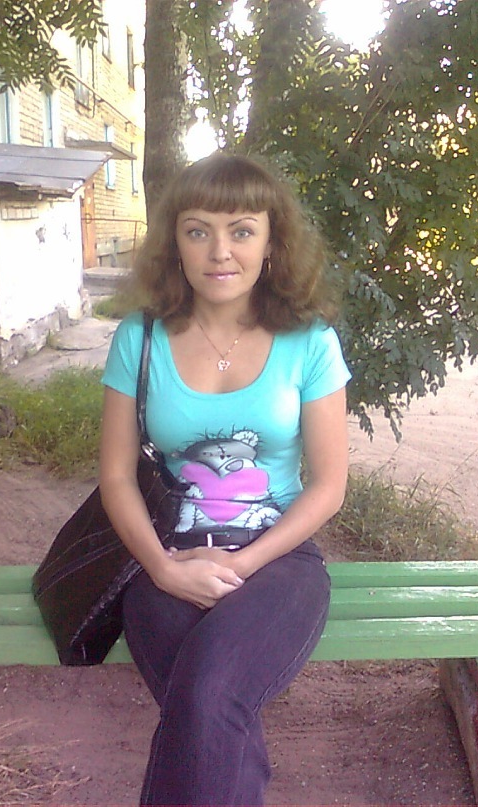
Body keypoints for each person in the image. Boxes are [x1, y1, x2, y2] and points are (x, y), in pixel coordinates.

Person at [99, 152, 351, 807]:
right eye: (197, 230)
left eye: (241, 230)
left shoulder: (309, 340)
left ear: (271, 243)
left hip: (279, 559)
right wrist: (161, 567)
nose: (219, 251)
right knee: (211, 708)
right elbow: (116, 476)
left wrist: (242, 563)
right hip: (164, 558)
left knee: (207, 699)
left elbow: (328, 485)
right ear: (174, 243)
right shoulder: (139, 338)